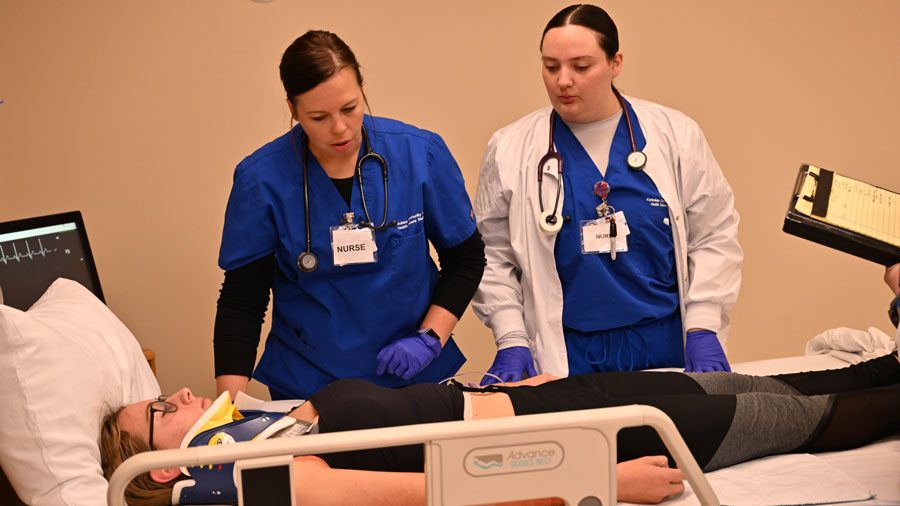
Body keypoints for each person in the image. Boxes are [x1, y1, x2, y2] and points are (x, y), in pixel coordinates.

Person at [101, 352, 900, 506]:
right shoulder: (249, 477)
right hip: (589, 437)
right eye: (160, 412)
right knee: (811, 416)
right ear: (167, 472)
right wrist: (596, 483)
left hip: (559, 399)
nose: (176, 393)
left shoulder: (269, 430)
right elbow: (436, 490)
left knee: (810, 383)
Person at [472, 4, 742, 384]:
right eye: (551, 67)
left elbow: (714, 235)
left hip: (666, 344)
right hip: (567, 353)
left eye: (580, 67)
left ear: (615, 62)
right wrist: (511, 336)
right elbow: (492, 253)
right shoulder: (511, 148)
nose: (563, 81)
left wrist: (703, 324)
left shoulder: (675, 135)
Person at [214, 30, 485, 400]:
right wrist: (228, 410)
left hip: (414, 377)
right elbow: (242, 301)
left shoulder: (419, 154)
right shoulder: (262, 179)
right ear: (292, 110)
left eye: (349, 108)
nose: (339, 128)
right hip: (309, 386)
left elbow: (466, 258)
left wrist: (430, 338)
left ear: (362, 89)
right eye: (318, 116)